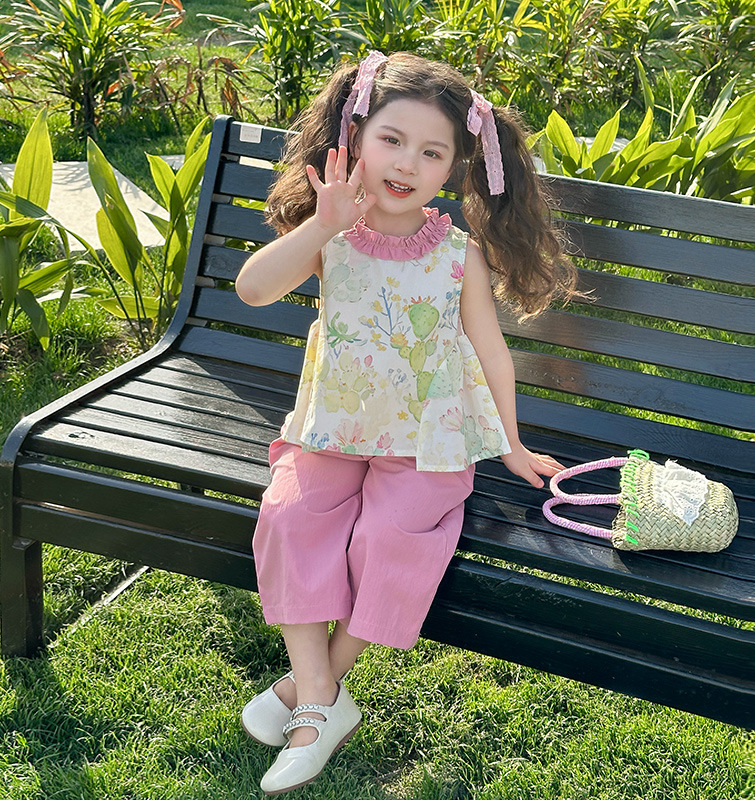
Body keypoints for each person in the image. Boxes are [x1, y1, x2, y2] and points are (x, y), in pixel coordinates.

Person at [235, 50, 578, 795]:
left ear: (455, 168)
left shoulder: (456, 254)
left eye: (432, 152)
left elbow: (491, 351)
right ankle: (321, 699)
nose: (406, 163)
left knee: (392, 539)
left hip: (429, 439)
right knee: (290, 516)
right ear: (354, 137)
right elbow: (253, 289)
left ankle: (310, 696)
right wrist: (321, 225)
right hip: (332, 428)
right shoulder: (331, 232)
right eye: (391, 140)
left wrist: (511, 444)